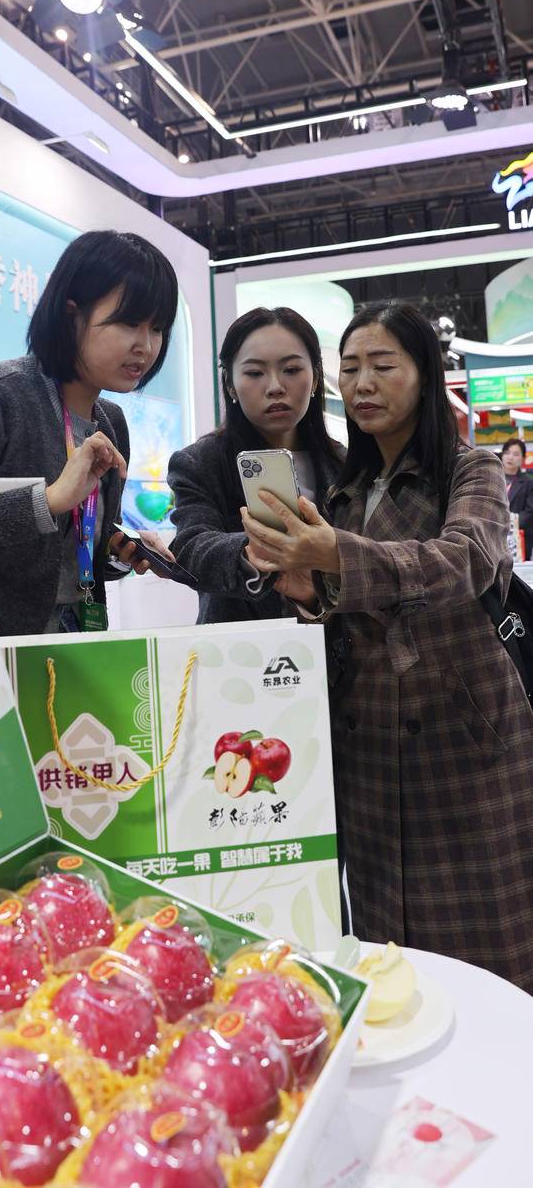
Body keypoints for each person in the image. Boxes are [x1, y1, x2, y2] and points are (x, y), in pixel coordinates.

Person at [242, 300, 533, 991]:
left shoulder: (471, 470)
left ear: (425, 374)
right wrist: (308, 591)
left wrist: (335, 556)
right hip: (367, 745)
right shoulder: (345, 489)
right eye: (350, 369)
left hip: (463, 736)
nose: (363, 384)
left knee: (492, 950)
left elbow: (465, 561)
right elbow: (343, 615)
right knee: (392, 957)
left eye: (382, 365)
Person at [0, 230, 179, 636]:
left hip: (78, 640)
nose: (145, 345)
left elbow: (73, 555)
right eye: (129, 323)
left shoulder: (111, 421)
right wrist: (48, 500)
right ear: (72, 314)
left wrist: (118, 549)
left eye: (157, 328)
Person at [167, 307, 342, 623]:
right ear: (230, 385)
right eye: (254, 373)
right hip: (241, 645)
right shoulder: (201, 462)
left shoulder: (344, 463)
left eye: (291, 369)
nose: (275, 386)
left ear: (316, 377)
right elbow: (190, 546)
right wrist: (256, 551)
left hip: (337, 643)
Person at [501, 436, 533, 557]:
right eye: (507, 453)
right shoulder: (492, 480)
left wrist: (507, 523)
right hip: (494, 537)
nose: (510, 457)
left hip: (519, 538)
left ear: (523, 459)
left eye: (515, 454)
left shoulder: (529, 483)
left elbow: (529, 513)